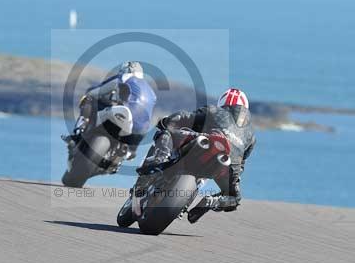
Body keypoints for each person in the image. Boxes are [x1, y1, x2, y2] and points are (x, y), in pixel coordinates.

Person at [132, 88, 255, 216]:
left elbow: (185, 117)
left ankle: (157, 164)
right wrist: (234, 179)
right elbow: (241, 164)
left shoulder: (214, 110)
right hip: (228, 163)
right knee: (234, 197)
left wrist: (166, 122)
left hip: (207, 142)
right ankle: (211, 201)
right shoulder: (251, 136)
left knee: (167, 133)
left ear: (223, 103)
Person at [62, 61, 155, 158]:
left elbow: (97, 91)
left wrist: (89, 93)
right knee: (130, 151)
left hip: (124, 115)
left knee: (89, 99)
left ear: (126, 70)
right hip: (141, 131)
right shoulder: (151, 92)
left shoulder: (125, 77)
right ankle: (129, 152)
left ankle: (78, 132)